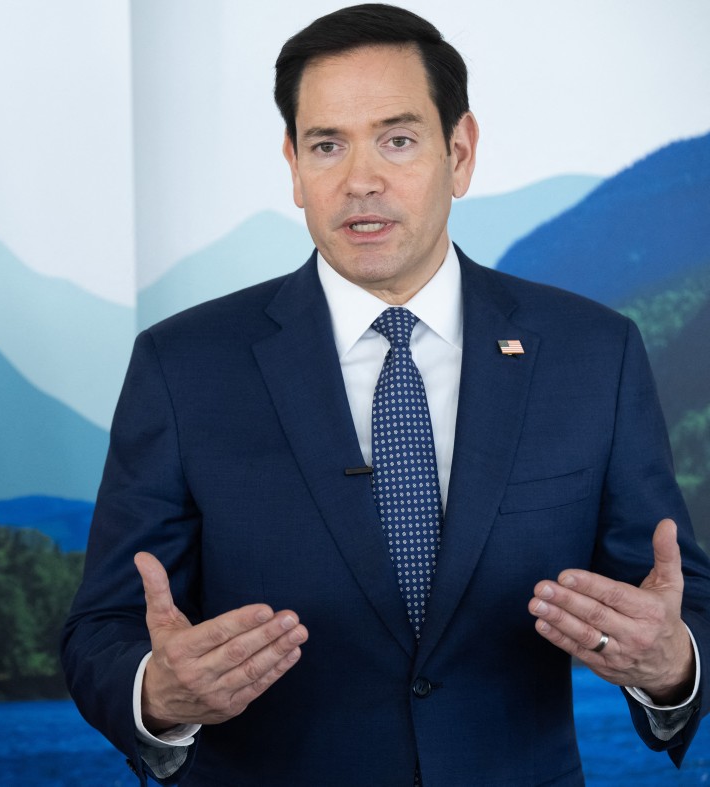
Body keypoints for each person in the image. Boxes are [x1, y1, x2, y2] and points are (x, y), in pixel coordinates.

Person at [61, 4, 710, 785]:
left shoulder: (590, 353)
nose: (360, 180)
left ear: (460, 153)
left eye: (397, 140)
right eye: (326, 145)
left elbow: (681, 601)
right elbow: (104, 628)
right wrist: (157, 695)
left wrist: (674, 664)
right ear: (294, 167)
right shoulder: (184, 364)